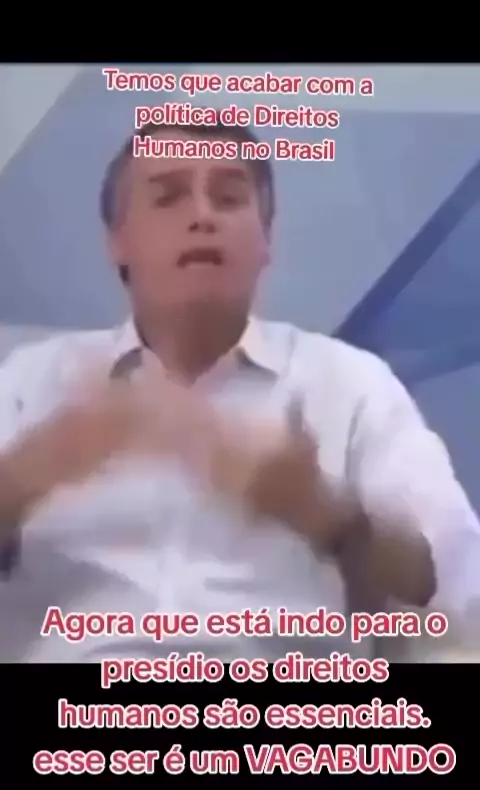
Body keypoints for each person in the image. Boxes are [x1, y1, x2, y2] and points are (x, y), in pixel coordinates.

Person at [0, 120, 478, 663]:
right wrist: (22, 479)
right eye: (169, 197)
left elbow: (454, 585)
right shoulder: (31, 382)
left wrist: (331, 517)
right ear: (118, 242)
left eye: (228, 197)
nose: (202, 216)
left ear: (264, 241)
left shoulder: (349, 385)